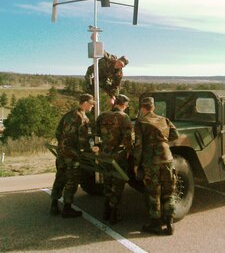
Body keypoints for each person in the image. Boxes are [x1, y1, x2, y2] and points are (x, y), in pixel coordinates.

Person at [133, 97, 179, 235]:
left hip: (151, 161)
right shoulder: (164, 120)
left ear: (142, 108)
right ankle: (169, 223)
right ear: (153, 107)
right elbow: (175, 135)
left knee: (154, 192)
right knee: (169, 191)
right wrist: (162, 141)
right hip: (167, 158)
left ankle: (155, 224)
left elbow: (139, 145)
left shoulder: (140, 122)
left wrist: (136, 164)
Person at [50, 93, 95, 218]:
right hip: (72, 155)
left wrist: (63, 145)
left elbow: (58, 132)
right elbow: (83, 140)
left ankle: (54, 205)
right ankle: (67, 208)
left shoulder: (67, 115)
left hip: (62, 153)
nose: (92, 107)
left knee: (60, 177)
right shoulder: (83, 118)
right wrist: (89, 151)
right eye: (91, 104)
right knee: (72, 180)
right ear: (85, 103)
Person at [96, 94, 132, 224]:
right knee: (117, 185)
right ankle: (113, 214)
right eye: (127, 105)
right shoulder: (124, 117)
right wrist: (129, 151)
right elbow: (128, 138)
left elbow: (97, 134)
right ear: (123, 104)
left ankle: (106, 211)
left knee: (107, 183)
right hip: (118, 155)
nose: (127, 107)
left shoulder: (102, 116)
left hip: (105, 154)